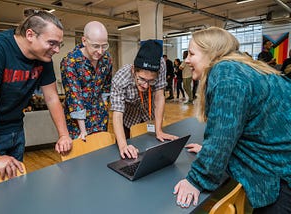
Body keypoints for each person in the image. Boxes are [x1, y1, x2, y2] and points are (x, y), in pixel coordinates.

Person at [173, 27, 291, 213]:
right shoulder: (242, 68)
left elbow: (223, 135)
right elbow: (244, 127)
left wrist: (196, 180)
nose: (186, 60)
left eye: (192, 54)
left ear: (211, 54)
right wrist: (210, 152)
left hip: (281, 178)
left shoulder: (226, 73)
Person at [0, 9, 72, 178]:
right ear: (30, 34)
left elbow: (52, 97)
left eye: (58, 45)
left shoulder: (43, 57)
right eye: (52, 43)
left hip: (15, 130)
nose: (56, 50)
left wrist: (63, 135)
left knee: (13, 186)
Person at [111, 40, 178, 159]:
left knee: (152, 153)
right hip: (128, 119)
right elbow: (117, 114)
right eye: (141, 79)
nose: (146, 86)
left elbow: (159, 97)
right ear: (133, 70)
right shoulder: (120, 79)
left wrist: (159, 130)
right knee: (126, 157)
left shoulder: (161, 65)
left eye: (151, 81)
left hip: (148, 117)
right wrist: (123, 146)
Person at [60, 21, 112, 141]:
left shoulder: (107, 58)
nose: (100, 51)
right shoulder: (70, 62)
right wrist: (83, 130)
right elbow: (74, 97)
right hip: (77, 124)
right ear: (84, 41)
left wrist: (104, 106)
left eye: (104, 46)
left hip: (100, 118)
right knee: (81, 157)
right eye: (95, 46)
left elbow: (106, 87)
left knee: (101, 154)